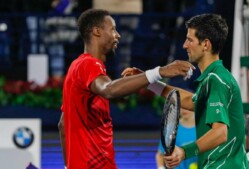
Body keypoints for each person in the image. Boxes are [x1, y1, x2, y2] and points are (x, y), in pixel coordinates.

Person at [57, 9, 195, 169]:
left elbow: (63, 125)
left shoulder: (77, 67)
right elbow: (109, 89)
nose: (118, 35)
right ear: (97, 31)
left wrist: (69, 166)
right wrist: (160, 71)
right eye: (113, 29)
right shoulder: (89, 64)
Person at [122, 14, 249, 168]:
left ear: (205, 45)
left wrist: (183, 151)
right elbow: (188, 101)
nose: (184, 45)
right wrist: (147, 80)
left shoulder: (216, 80)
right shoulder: (214, 78)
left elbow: (220, 133)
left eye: (190, 40)